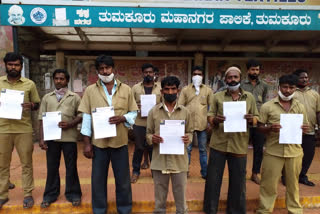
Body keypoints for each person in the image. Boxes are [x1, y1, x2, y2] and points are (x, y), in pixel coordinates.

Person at [79, 55, 138, 214]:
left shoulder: (126, 89)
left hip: (120, 142)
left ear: (113, 69)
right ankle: (99, 210)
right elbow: (86, 117)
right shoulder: (90, 90)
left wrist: (123, 118)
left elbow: (133, 112)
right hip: (99, 144)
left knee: (123, 181)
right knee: (98, 181)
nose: (105, 71)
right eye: (101, 69)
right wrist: (86, 143)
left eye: (107, 68)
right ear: (97, 71)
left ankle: (124, 209)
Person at [203, 66, 259, 214]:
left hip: (239, 145)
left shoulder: (250, 97)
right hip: (218, 144)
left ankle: (235, 211)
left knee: (238, 182)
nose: (232, 80)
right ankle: (210, 209)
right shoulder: (217, 97)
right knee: (213, 180)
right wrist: (215, 120)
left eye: (235, 77)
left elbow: (257, 118)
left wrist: (251, 119)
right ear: (225, 79)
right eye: (229, 77)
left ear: (240, 78)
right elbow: (209, 116)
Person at [256, 74, 309, 214]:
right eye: (285, 87)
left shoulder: (300, 107)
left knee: (293, 185)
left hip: (294, 152)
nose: (287, 90)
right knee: (268, 185)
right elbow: (259, 128)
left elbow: (304, 129)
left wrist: (304, 130)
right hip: (273, 152)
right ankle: (264, 210)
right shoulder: (267, 106)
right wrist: (269, 128)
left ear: (295, 89)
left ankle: (295, 210)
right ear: (279, 87)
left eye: (291, 87)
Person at [146, 76, 193, 214]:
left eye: (173, 89)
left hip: (179, 162)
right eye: (167, 89)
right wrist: (152, 138)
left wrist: (187, 138)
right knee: (160, 201)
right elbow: (148, 134)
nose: (170, 92)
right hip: (159, 161)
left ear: (178, 91)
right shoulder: (153, 112)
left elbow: (190, 132)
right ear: (162, 91)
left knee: (181, 201)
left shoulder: (185, 112)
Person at [0, 52, 40, 209]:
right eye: (10, 64)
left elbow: (36, 103)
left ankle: (28, 194)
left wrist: (31, 106)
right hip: (3, 129)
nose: (13, 67)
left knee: (26, 163)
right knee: (2, 164)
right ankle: (2, 194)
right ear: (5, 65)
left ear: (21, 66)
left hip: (23, 129)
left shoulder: (29, 84)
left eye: (16, 65)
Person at [38, 69, 82, 208]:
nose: (59, 81)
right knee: (52, 167)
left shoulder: (74, 97)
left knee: (71, 167)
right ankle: (50, 194)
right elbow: (41, 119)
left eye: (62, 79)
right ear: (53, 80)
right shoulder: (47, 97)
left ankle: (73, 193)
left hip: (69, 138)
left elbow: (81, 115)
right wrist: (42, 138)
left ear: (67, 80)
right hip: (52, 139)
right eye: (56, 78)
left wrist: (70, 124)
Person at [178, 65, 213, 179]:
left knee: (203, 150)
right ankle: (185, 171)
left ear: (203, 76)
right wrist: (181, 123)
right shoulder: (185, 89)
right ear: (191, 76)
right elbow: (180, 106)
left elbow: (211, 108)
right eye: (195, 74)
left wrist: (209, 123)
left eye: (199, 74)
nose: (197, 76)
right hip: (188, 125)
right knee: (187, 149)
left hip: (203, 125)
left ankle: (205, 173)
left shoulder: (208, 90)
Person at [130, 63, 161, 183]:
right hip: (139, 122)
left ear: (154, 74)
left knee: (153, 147)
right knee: (139, 147)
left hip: (155, 123)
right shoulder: (135, 88)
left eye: (150, 72)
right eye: (146, 72)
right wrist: (136, 106)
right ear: (142, 73)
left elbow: (164, 103)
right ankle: (136, 172)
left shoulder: (159, 88)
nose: (148, 74)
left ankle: (155, 171)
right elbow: (130, 103)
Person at [241, 59, 268, 185]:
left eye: (257, 69)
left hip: (259, 121)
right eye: (252, 69)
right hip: (244, 121)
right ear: (248, 70)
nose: (255, 72)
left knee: (258, 149)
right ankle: (241, 172)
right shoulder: (241, 85)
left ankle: (255, 173)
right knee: (241, 148)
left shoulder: (264, 86)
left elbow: (265, 103)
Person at [292, 69, 320, 186]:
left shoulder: (314, 94)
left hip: (310, 131)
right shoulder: (292, 93)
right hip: (294, 131)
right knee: (292, 156)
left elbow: (318, 112)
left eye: (306, 77)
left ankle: (302, 176)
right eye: (302, 77)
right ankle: (287, 177)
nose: (305, 79)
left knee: (308, 155)